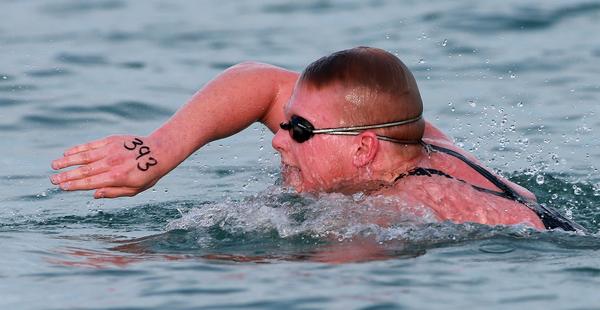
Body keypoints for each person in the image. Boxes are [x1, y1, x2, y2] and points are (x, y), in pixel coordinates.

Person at [50, 47, 583, 232]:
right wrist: (159, 149)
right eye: (287, 122)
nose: (279, 140)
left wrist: (146, 262)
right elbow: (259, 80)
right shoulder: (409, 137)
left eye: (299, 129)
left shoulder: (406, 206)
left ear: (362, 148)